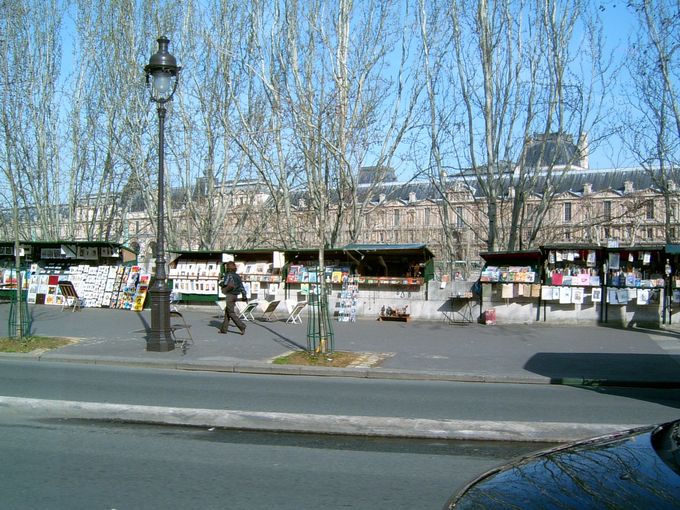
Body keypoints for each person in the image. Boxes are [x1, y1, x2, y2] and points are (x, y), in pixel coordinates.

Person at [219, 261, 248, 335]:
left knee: (231, 312)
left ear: (228, 268)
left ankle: (242, 326)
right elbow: (242, 287)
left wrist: (220, 282)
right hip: (235, 296)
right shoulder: (237, 276)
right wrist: (244, 296)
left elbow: (225, 283)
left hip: (230, 295)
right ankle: (223, 329)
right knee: (227, 312)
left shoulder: (228, 275)